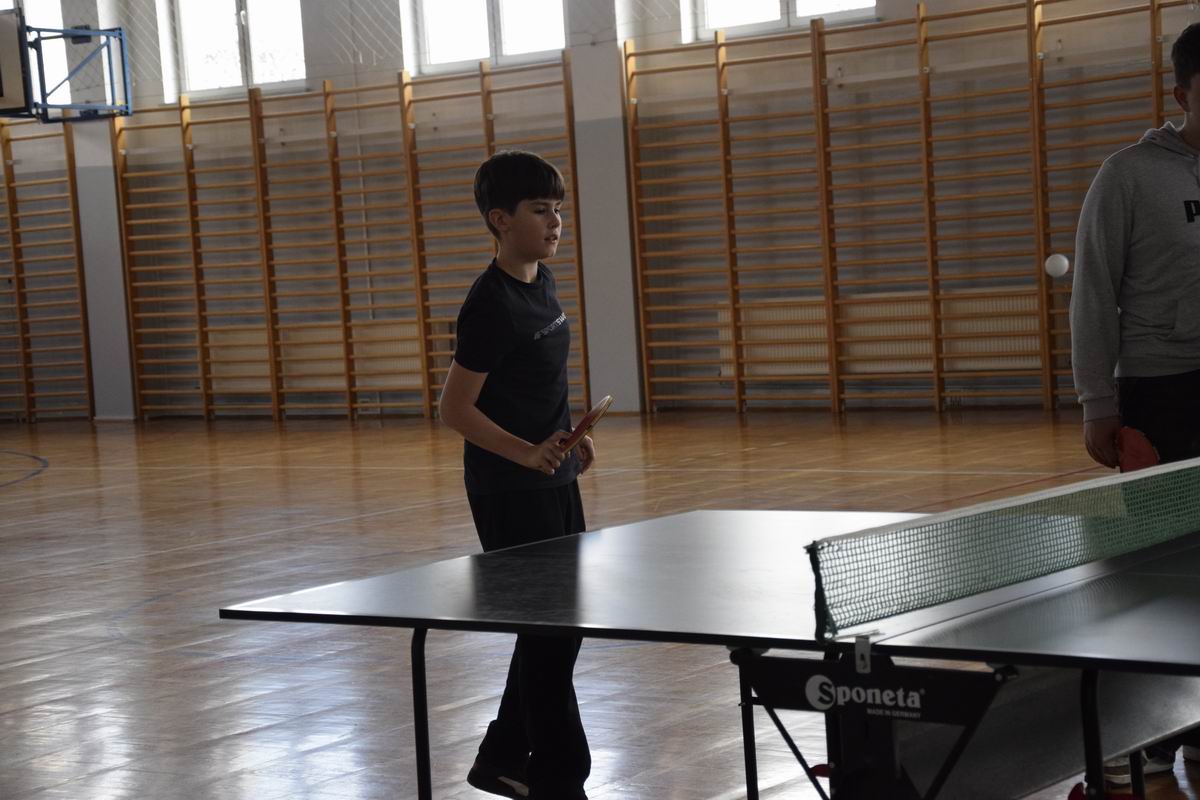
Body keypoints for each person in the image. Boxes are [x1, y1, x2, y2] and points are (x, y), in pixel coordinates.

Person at [439, 150, 595, 800]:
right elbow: (455, 409)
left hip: (555, 478)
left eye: (557, 209)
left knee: (557, 630)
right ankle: (557, 778)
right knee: (550, 634)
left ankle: (504, 755)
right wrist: (526, 454)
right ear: (500, 220)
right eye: (539, 210)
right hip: (509, 489)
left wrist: (568, 440)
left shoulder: (542, 283)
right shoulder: (491, 305)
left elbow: (535, 386)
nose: (555, 222)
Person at [1070, 21, 1200, 784]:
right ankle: (1141, 737)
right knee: (1160, 577)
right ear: (1182, 94)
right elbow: (1092, 291)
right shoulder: (1128, 175)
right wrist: (1098, 401)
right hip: (1161, 392)